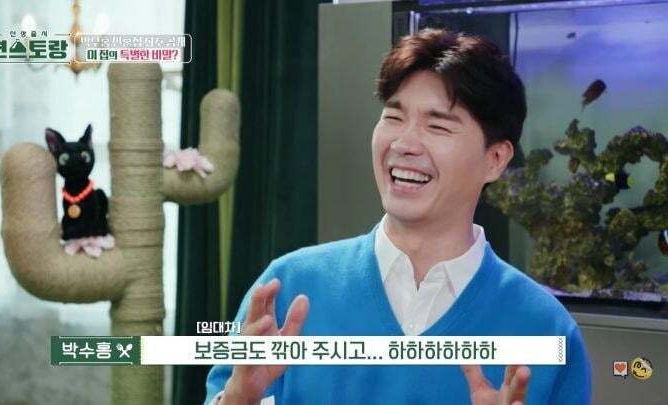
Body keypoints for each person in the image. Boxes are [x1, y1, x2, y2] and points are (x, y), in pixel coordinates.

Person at [204, 28, 592, 405]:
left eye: (437, 125)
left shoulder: (545, 328)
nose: (404, 144)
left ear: (495, 159)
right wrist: (238, 401)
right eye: (393, 117)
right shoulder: (288, 288)